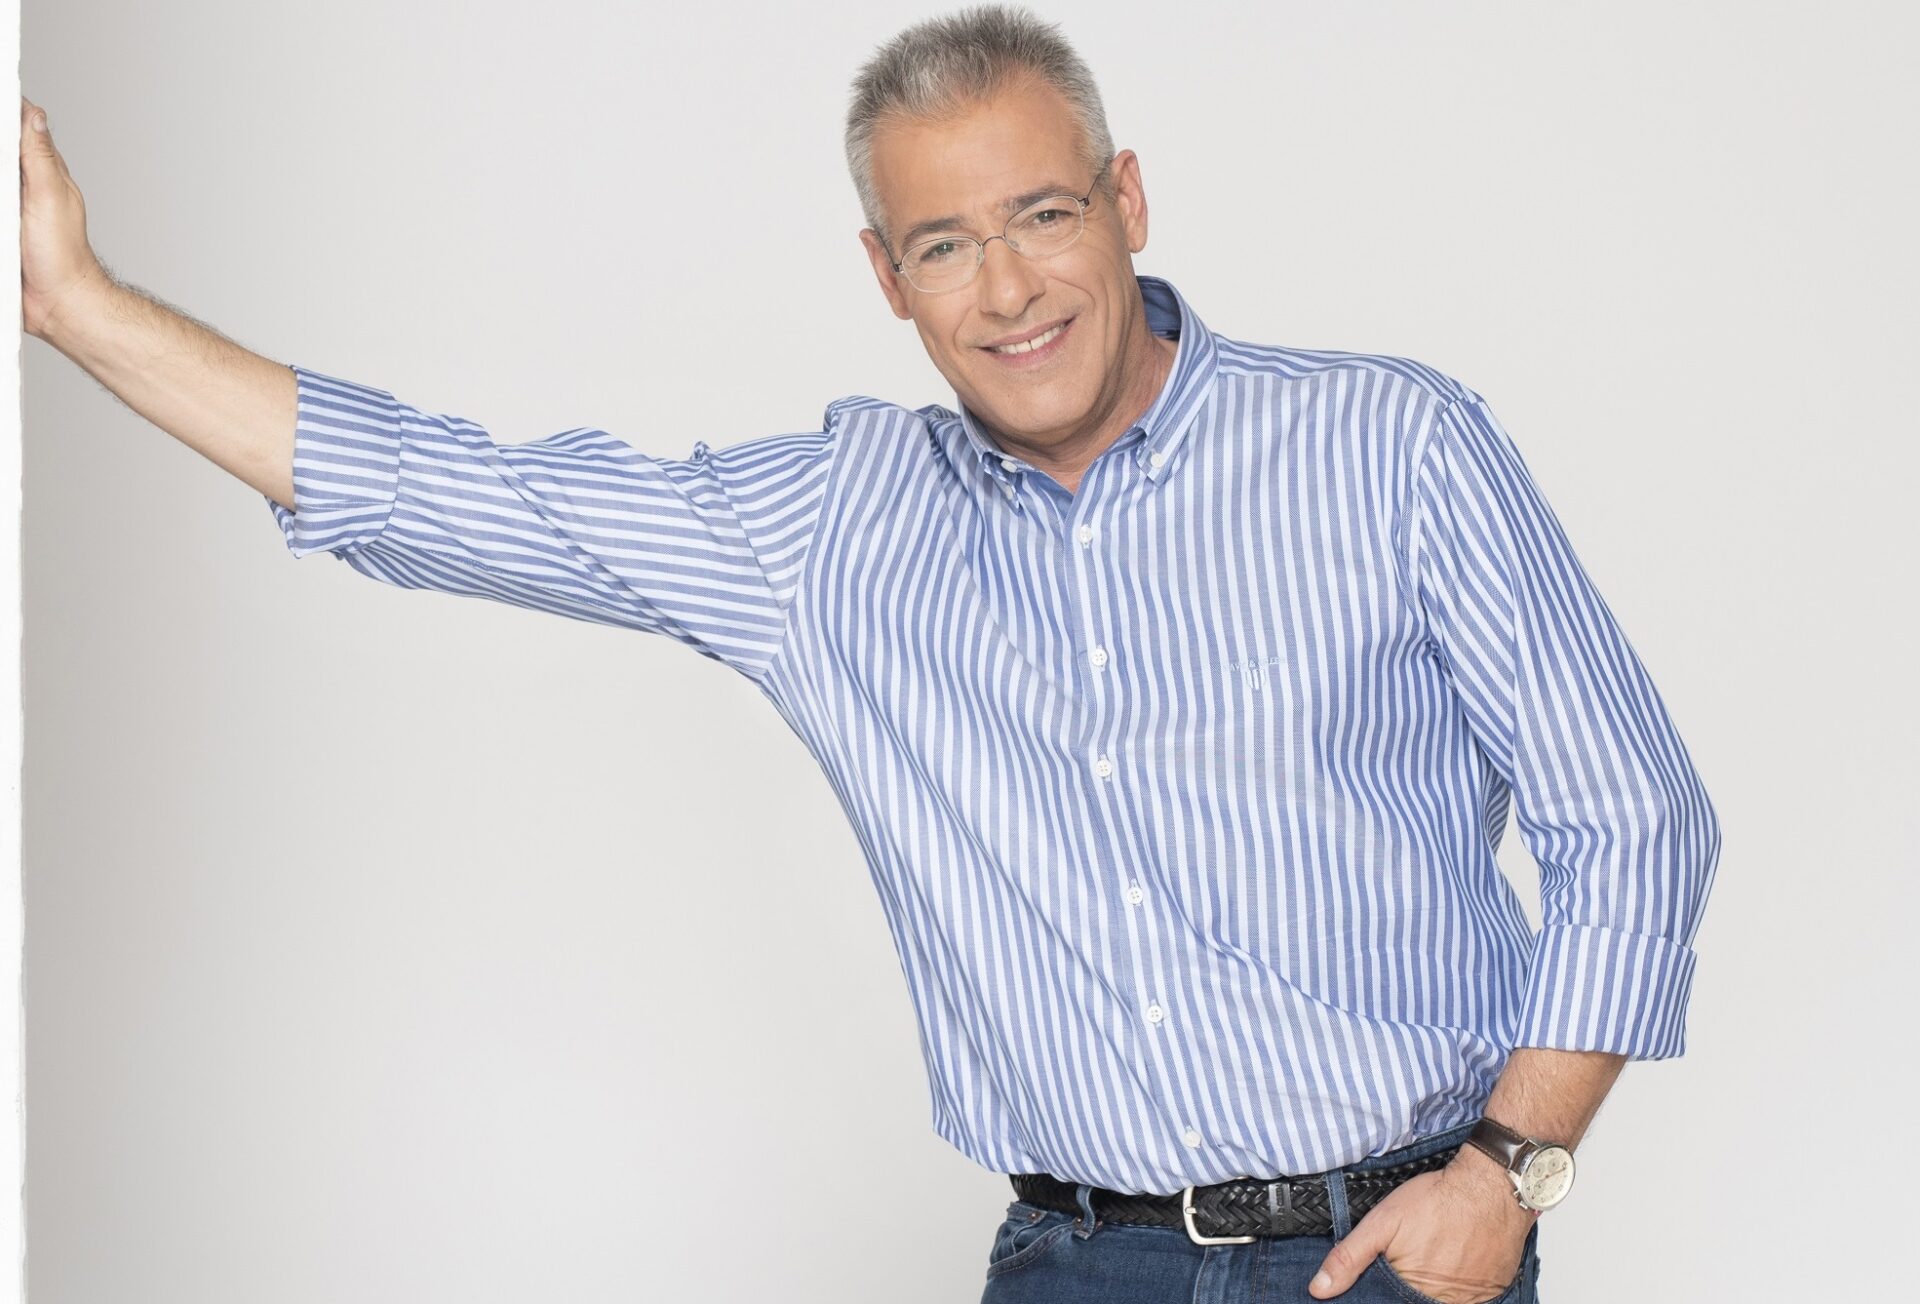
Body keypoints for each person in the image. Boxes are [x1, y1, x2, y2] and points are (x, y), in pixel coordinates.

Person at [19, 6, 1719, 1302]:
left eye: (1042, 213)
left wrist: (1511, 1168)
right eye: (944, 244)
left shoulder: (1390, 447)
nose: (1009, 289)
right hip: (1079, 1265)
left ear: (1126, 199)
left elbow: (1635, 813)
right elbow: (462, 493)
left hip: (1395, 1252)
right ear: (886, 276)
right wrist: (78, 305)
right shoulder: (833, 531)